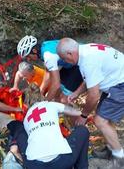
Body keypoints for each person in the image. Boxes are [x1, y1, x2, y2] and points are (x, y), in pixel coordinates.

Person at [57, 38, 124, 167]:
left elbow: (93, 96)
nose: (66, 62)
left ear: (70, 53)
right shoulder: (85, 51)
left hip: (121, 84)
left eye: (65, 59)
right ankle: (111, 149)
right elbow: (91, 78)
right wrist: (76, 93)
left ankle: (120, 159)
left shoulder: (88, 61)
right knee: (105, 119)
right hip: (115, 81)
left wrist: (83, 116)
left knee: (100, 120)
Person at [17, 35, 83, 103]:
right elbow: (48, 72)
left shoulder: (48, 56)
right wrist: (41, 90)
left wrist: (45, 102)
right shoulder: (44, 46)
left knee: (64, 99)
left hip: (79, 64)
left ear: (34, 50)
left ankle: (75, 111)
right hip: (68, 64)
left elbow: (56, 85)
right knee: (56, 95)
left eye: (28, 56)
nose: (28, 59)